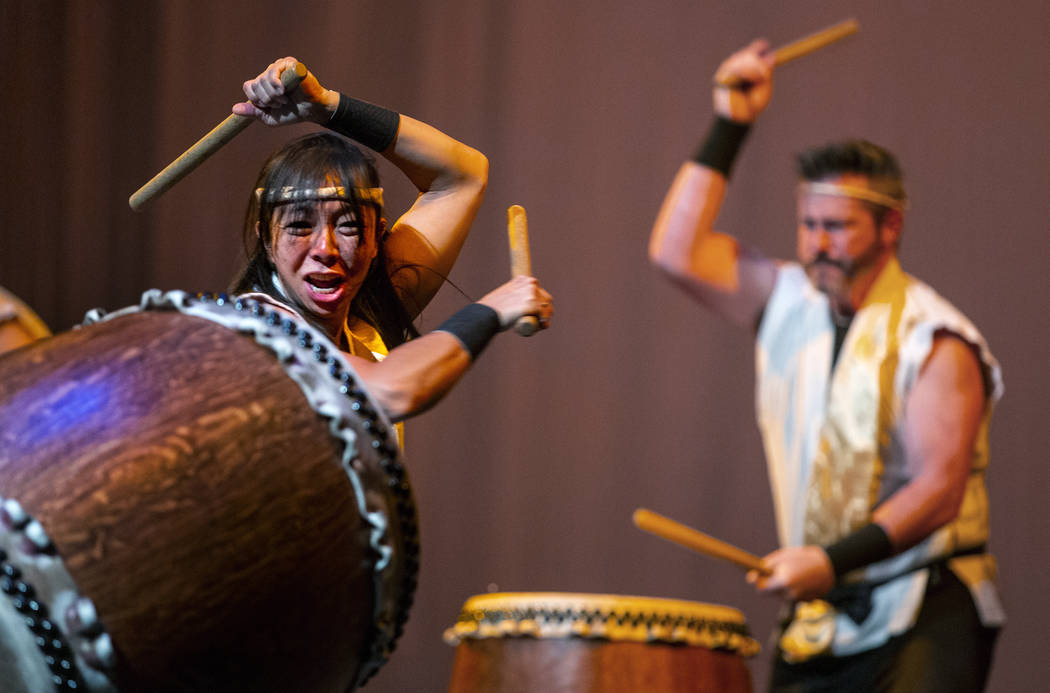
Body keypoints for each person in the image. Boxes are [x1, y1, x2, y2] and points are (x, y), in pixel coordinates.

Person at [648, 40, 1003, 692]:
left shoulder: (938, 338)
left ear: (889, 227)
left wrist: (829, 561)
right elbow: (675, 250)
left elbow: (938, 490)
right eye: (808, 223)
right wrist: (732, 121)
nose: (816, 244)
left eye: (836, 226)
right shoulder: (787, 297)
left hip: (924, 599)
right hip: (822, 605)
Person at [230, 58, 553, 424]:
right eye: (300, 226)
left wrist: (328, 107)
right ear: (265, 238)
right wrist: (490, 312)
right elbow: (387, 392)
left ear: (376, 239)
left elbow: (463, 175)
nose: (326, 249)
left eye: (349, 226)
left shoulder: (365, 318)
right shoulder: (254, 331)